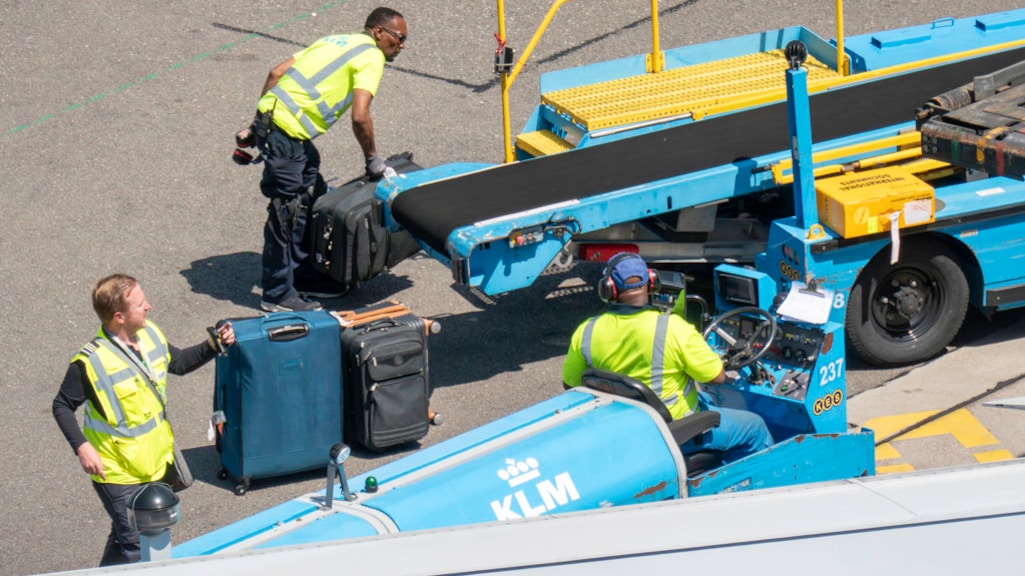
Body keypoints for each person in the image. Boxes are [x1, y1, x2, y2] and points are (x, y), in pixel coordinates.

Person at [52, 274, 236, 566]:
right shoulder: (90, 362)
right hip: (117, 470)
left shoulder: (150, 334)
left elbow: (179, 363)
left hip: (155, 462)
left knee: (127, 534)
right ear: (119, 317)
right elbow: (62, 405)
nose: (148, 306)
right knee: (138, 540)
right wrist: (82, 447)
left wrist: (212, 345)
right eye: (140, 304)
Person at [252, 7, 408, 312]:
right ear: (379, 32)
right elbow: (360, 116)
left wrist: (257, 126)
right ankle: (276, 293)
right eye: (399, 38)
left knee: (311, 192)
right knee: (287, 213)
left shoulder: (335, 40)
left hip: (276, 124)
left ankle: (303, 275)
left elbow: (276, 73)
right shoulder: (372, 57)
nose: (401, 45)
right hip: (287, 135)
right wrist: (373, 159)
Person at [562, 253, 773, 462]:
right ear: (652, 282)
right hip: (676, 430)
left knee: (708, 400)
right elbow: (716, 377)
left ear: (608, 288)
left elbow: (570, 382)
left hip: (624, 426)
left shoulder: (586, 331)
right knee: (755, 426)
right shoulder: (673, 328)